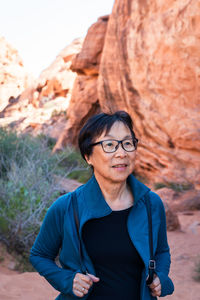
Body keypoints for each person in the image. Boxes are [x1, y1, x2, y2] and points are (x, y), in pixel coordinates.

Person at [30, 111, 174, 300]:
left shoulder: (150, 203)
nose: (121, 153)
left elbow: (161, 251)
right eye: (110, 145)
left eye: (127, 143)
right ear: (88, 156)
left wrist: (161, 277)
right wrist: (66, 279)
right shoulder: (66, 207)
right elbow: (39, 255)